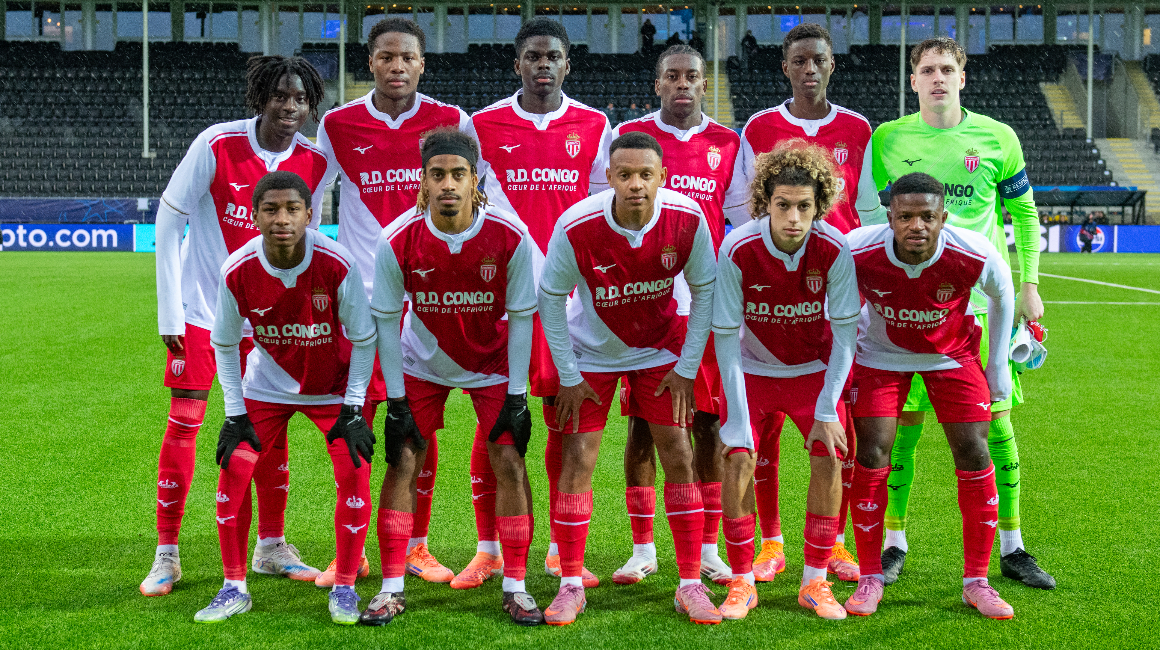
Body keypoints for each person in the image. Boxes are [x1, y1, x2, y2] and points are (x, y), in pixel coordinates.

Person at [870, 37, 1054, 590]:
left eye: (947, 69)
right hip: (911, 309)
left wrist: (1029, 285)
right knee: (900, 431)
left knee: (995, 426)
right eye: (927, 69)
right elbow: (880, 219)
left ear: (962, 77)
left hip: (982, 308)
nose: (938, 78)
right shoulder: (888, 138)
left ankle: (1013, 547)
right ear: (913, 80)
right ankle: (893, 542)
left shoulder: (999, 138)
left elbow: (1024, 213)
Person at [143, 54, 330, 597]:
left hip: (268, 322)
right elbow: (169, 217)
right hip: (203, 311)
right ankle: (167, 552)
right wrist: (170, 310)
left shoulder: (315, 162)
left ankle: (271, 546)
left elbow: (307, 240)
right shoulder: (217, 143)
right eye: (280, 95)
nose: (290, 106)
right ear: (260, 98)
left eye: (300, 98)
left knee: (271, 428)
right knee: (186, 421)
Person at [725, 22, 885, 586]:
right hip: (775, 289)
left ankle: (834, 542)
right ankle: (770, 543)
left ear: (831, 65)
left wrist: (851, 272)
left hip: (834, 283)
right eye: (799, 61)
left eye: (818, 59)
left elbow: (869, 210)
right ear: (786, 67)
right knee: (760, 439)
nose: (809, 69)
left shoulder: (858, 128)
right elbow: (742, 205)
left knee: (836, 430)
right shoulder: (760, 127)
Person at [537, 131, 719, 625]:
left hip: (659, 348)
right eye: (624, 175)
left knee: (678, 452)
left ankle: (689, 584)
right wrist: (568, 374)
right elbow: (550, 298)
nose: (635, 184)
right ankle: (571, 584)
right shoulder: (577, 225)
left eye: (645, 175)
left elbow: (705, 291)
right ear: (609, 177)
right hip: (592, 354)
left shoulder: (687, 218)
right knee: (578, 457)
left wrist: (687, 368)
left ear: (663, 176)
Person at [362, 129, 542, 626]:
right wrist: (396, 399)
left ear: (474, 180)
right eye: (437, 174)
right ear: (422, 180)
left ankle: (517, 585)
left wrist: (518, 395)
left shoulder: (510, 234)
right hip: (422, 362)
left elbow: (522, 317)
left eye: (458, 174)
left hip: (492, 364)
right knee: (403, 458)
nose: (448, 184)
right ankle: (391, 587)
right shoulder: (397, 238)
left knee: (509, 460)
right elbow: (385, 321)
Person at [315, 15, 468, 589]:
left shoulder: (451, 121)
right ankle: (350, 551)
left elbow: (473, 197)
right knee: (354, 421)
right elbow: (310, 195)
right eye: (386, 56)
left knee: (418, 426)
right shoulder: (337, 124)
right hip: (360, 299)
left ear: (422, 64)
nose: (397, 66)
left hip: (427, 296)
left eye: (407, 57)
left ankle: (416, 545)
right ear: (370, 62)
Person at [466, 16, 611, 588]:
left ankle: (556, 546)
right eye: (533, 56)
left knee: (562, 418)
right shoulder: (483, 125)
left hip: (567, 299)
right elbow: (472, 208)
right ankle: (488, 549)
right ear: (518, 64)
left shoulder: (594, 125)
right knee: (494, 419)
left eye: (553, 56)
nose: (543, 65)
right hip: (504, 297)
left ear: (567, 64)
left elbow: (600, 211)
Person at [197, 171, 377, 624]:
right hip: (265, 387)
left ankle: (345, 586)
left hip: (333, 389)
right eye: (271, 209)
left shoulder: (337, 262)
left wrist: (354, 407)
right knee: (234, 469)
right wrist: (234, 414)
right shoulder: (238, 268)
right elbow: (224, 343)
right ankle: (234, 586)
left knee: (355, 472)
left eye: (292, 209)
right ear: (254, 216)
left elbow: (364, 337)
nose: (282, 219)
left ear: (309, 214)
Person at [844, 172, 1015, 620]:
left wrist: (997, 366)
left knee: (974, 451)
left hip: (951, 355)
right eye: (905, 217)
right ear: (890, 217)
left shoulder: (973, 252)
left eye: (926, 216)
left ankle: (977, 581)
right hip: (880, 355)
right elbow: (833, 300)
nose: (916, 226)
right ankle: (869, 576)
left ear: (944, 217)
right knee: (873, 451)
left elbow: (1003, 293)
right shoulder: (858, 248)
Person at [605, 44, 744, 587]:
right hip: (645, 303)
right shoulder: (631, 136)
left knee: (706, 424)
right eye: (672, 76)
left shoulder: (727, 142)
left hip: (702, 305)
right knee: (642, 426)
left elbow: (737, 223)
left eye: (691, 76)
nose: (682, 84)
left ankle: (707, 547)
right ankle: (642, 549)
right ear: (657, 83)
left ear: (705, 84)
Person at [715, 142, 859, 621]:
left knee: (830, 454)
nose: (793, 218)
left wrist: (827, 409)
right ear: (765, 202)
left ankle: (814, 581)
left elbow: (845, 337)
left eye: (804, 207)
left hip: (813, 373)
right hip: (752, 371)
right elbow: (726, 337)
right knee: (736, 456)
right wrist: (737, 417)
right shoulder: (738, 247)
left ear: (819, 206)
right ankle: (741, 580)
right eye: (783, 205)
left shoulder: (835, 248)